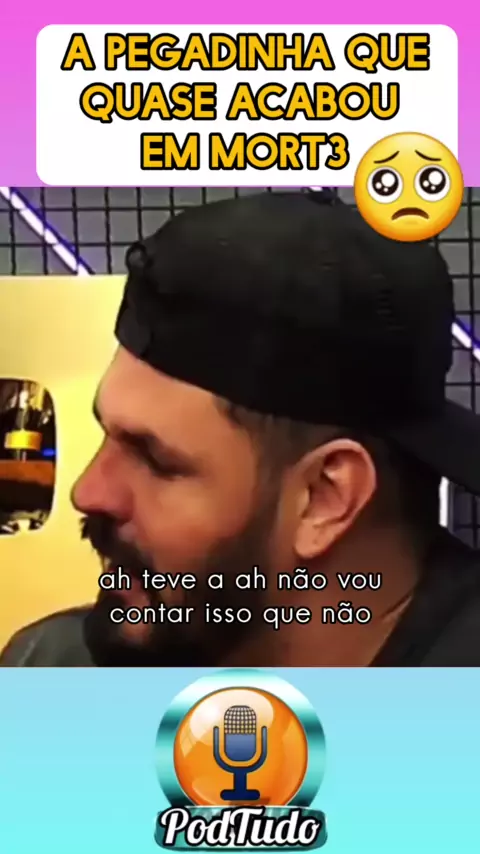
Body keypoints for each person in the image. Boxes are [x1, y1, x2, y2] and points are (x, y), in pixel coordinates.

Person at [2, 189, 480, 668]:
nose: (87, 492)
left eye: (154, 460)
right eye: (107, 434)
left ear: (324, 496)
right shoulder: (47, 672)